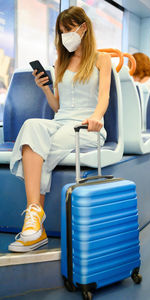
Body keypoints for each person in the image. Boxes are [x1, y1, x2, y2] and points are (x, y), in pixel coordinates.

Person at [8, 6, 111, 252]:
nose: (64, 36)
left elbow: (104, 97)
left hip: (88, 127)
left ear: (83, 28)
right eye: (61, 31)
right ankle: (35, 219)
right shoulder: (60, 62)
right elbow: (57, 106)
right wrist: (44, 87)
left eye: (68, 30)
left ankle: (33, 225)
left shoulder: (101, 59)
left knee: (37, 148)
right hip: (61, 123)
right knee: (31, 125)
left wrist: (96, 118)